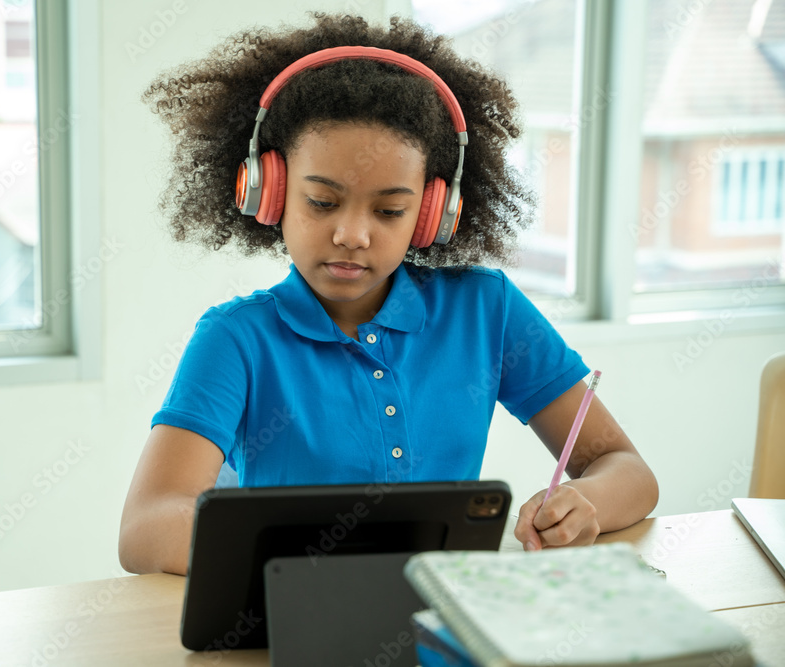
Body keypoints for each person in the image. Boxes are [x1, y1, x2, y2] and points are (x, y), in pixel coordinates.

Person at [119, 13, 659, 576]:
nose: (352, 234)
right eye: (322, 202)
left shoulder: (486, 311)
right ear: (268, 192)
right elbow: (145, 528)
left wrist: (585, 503)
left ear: (432, 216)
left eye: (390, 211)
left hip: (443, 619)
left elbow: (626, 469)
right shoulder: (236, 339)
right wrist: (313, 550)